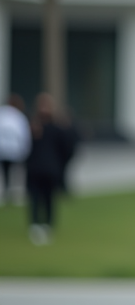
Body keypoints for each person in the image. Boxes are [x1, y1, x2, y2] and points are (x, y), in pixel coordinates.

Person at [25, 93, 68, 245]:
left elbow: (66, 148)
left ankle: (48, 224)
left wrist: (61, 166)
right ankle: (35, 225)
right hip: (35, 169)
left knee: (49, 198)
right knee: (35, 198)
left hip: (51, 169)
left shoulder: (57, 128)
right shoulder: (32, 127)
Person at [0, 94, 31, 205]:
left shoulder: (2, 113)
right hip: (14, 150)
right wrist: (25, 149)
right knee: (15, 173)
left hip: (3, 150)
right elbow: (23, 134)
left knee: (6, 173)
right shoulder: (19, 116)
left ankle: (7, 192)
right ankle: (11, 193)